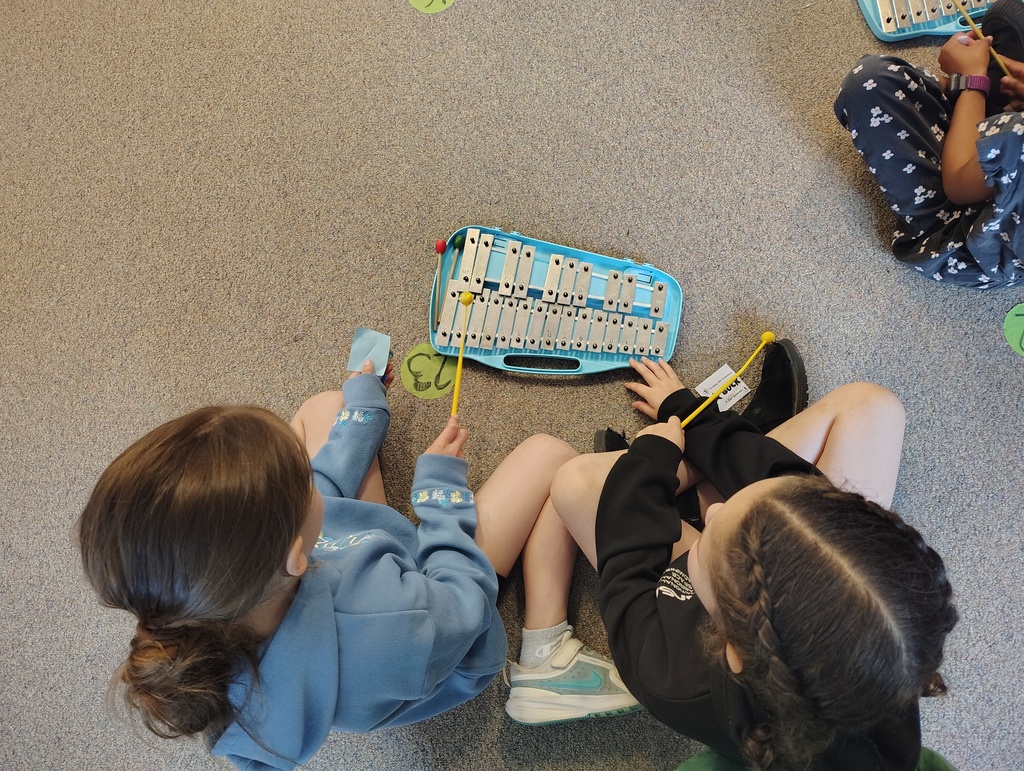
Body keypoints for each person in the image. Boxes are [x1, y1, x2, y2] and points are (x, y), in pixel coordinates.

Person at [76, 358, 638, 771]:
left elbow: (325, 501)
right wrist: (440, 495)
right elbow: (462, 600)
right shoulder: (387, 622)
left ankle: (338, 443)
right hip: (437, 610)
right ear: (297, 555)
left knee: (329, 408)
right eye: (299, 479)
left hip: (359, 572)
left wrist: (362, 416)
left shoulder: (208, 607)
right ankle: (545, 647)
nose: (307, 469)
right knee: (549, 454)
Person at [550, 348, 958, 770]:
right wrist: (688, 412)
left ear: (730, 647)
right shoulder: (878, 656)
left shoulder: (671, 678)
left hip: (699, 600)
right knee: (873, 405)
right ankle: (721, 454)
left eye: (715, 527)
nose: (716, 511)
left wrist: (649, 464)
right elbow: (787, 486)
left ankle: (694, 475)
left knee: (574, 482)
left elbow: (627, 568)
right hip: (780, 600)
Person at [833, 0, 1024, 288]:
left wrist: (971, 83)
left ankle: (976, 92)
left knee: (870, 82)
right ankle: (983, 98)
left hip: (978, 235)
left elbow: (959, 185)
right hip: (1008, 156)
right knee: (1009, 15)